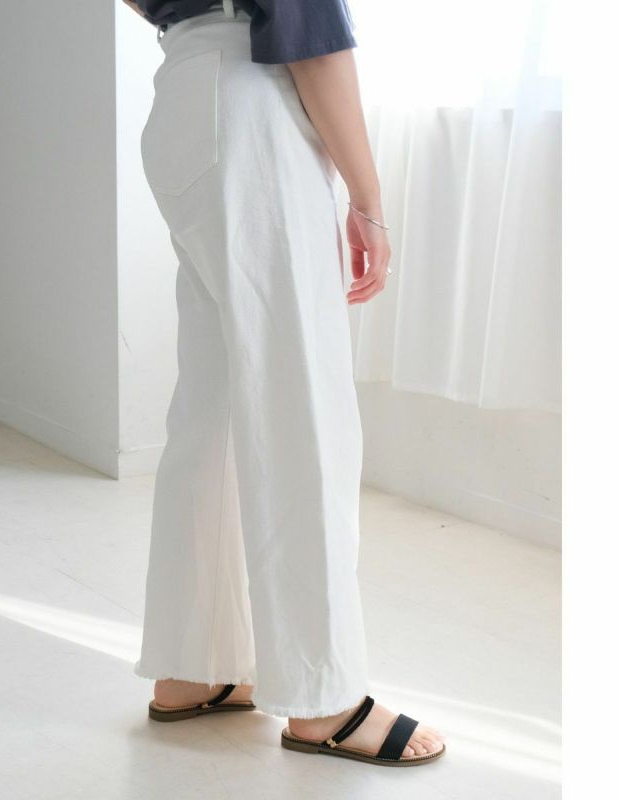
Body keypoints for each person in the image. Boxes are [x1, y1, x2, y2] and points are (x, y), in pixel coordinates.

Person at [123, 0, 445, 767]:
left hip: (184, 88)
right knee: (303, 406)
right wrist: (368, 199)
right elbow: (311, 34)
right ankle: (324, 698)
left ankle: (193, 662)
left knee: (213, 410)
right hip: (252, 101)